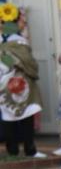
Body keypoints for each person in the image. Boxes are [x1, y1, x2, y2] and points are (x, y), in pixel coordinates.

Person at [0, 9, 44, 158]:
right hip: (21, 83)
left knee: (8, 116)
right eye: (21, 21)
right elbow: (29, 63)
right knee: (26, 115)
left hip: (3, 83)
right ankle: (30, 150)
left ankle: (12, 151)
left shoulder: (3, 40)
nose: (24, 23)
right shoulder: (20, 41)